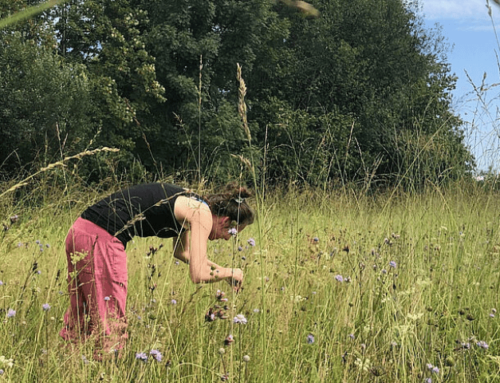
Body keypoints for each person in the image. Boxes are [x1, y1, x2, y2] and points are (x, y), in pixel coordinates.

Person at [59, 182, 254, 360]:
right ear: (225, 220)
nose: (228, 239)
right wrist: (230, 272)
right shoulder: (201, 214)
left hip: (81, 231)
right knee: (111, 323)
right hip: (102, 240)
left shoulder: (193, 204)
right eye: (232, 232)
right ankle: (106, 370)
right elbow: (197, 274)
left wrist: (224, 272)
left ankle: (70, 365)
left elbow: (183, 253)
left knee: (81, 314)